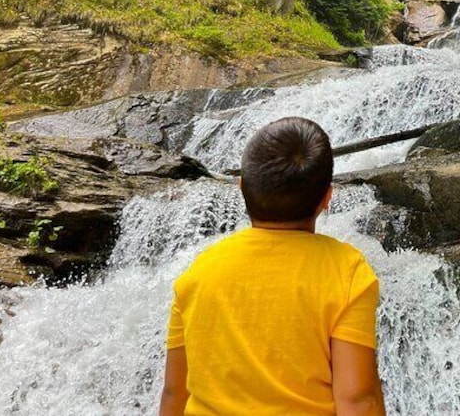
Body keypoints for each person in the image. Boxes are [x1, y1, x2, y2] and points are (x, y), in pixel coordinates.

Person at [159, 117, 386, 416]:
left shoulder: (199, 270)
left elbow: (175, 392)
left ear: (241, 187)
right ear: (327, 198)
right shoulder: (347, 270)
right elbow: (357, 399)